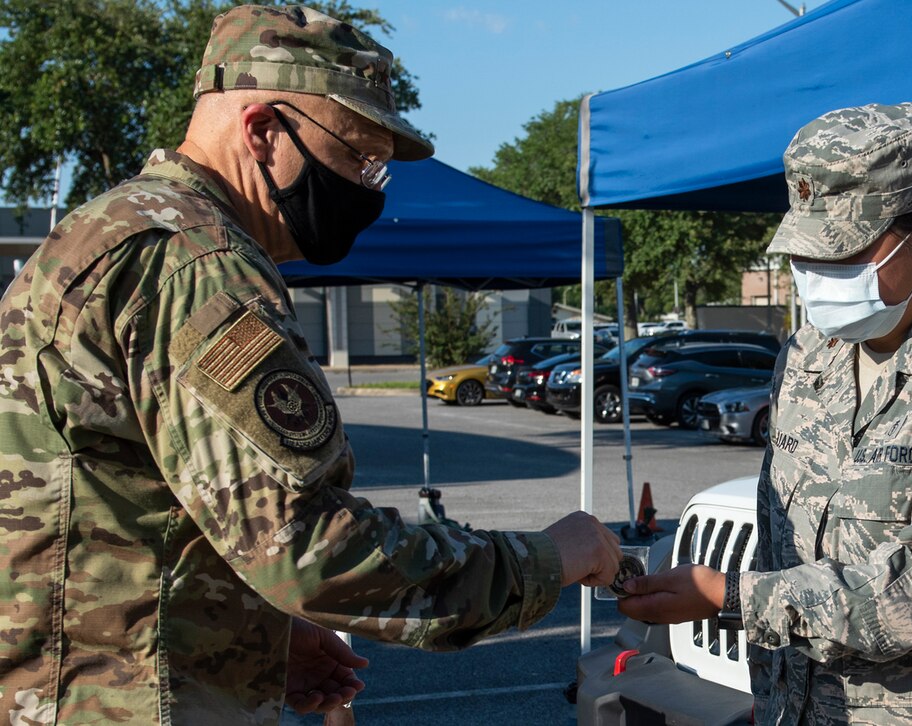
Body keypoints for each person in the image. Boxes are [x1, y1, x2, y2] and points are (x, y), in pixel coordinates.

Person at [0, 5, 621, 724]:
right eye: (355, 159)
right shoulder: (197, 265)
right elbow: (312, 549)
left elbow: (119, 505)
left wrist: (240, 631)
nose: (367, 187)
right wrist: (546, 559)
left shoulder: (109, 231)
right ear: (263, 130)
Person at [619, 102, 912, 723]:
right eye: (806, 255)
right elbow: (780, 541)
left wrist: (727, 596)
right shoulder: (810, 353)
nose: (816, 276)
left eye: (842, 254)